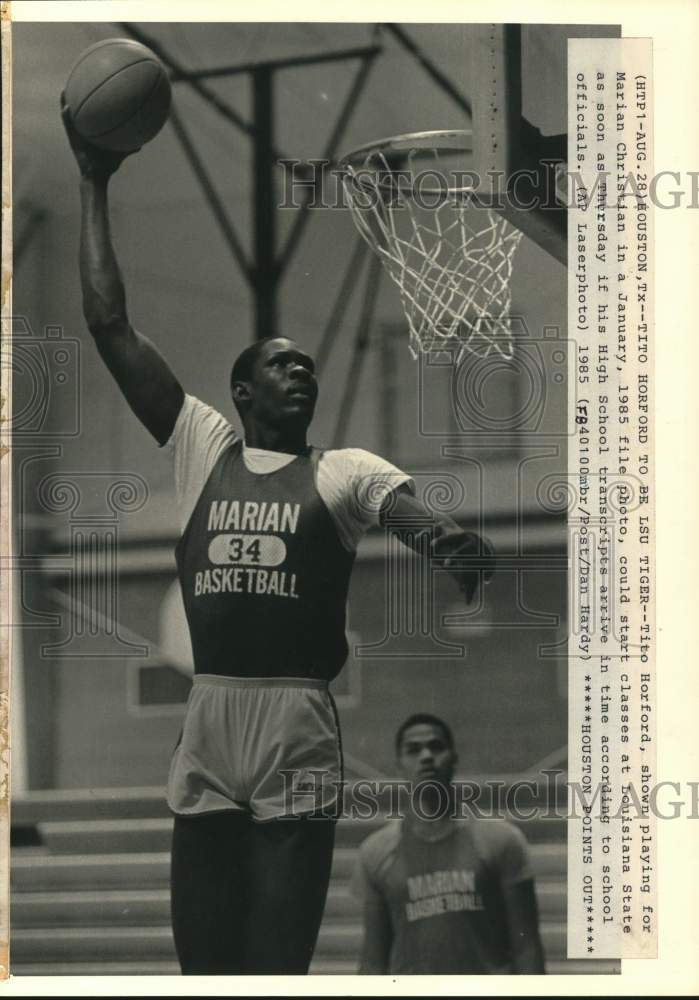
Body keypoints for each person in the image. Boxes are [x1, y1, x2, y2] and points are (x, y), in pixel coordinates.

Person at [60, 98, 495, 975]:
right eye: (279, 363)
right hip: (212, 715)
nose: (301, 370)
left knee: (274, 962)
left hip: (295, 718)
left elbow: (425, 524)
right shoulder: (201, 446)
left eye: (308, 364)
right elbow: (110, 326)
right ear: (242, 392)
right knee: (204, 959)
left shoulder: (344, 469)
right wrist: (94, 181)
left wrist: (453, 544)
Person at [353, 713, 545, 974]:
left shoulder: (501, 840)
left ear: (454, 758)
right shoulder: (376, 851)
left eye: (436, 747)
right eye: (413, 750)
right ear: (399, 764)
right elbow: (373, 961)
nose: (426, 757)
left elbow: (527, 948)